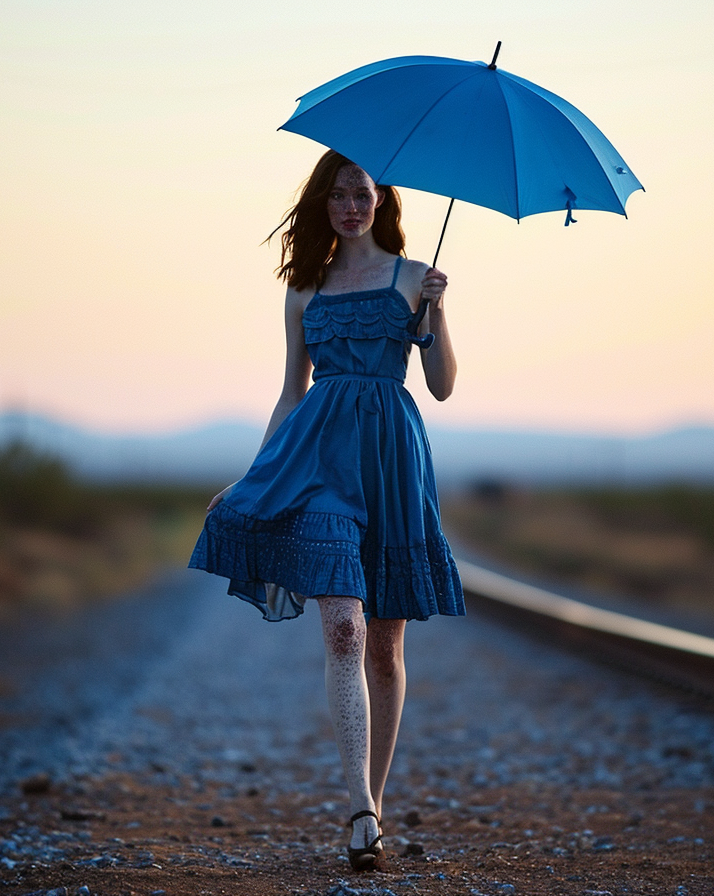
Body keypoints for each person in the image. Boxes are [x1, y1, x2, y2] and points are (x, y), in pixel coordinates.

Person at [189, 149, 465, 871]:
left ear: (382, 201)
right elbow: (290, 392)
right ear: (323, 204)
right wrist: (255, 475)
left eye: (362, 194)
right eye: (339, 195)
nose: (351, 206)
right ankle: (361, 811)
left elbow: (440, 387)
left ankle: (374, 796)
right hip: (317, 463)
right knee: (342, 627)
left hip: (392, 461)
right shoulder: (303, 290)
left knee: (385, 643)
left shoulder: (412, 278)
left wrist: (437, 308)